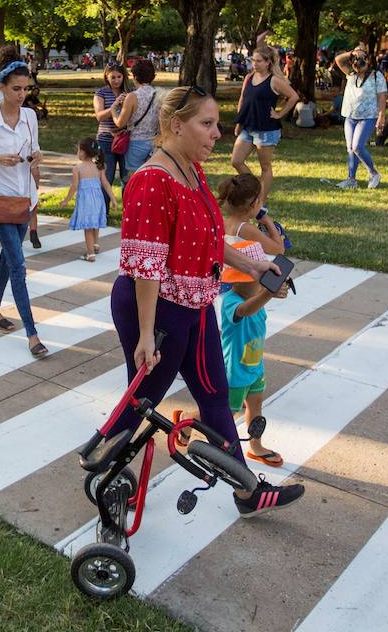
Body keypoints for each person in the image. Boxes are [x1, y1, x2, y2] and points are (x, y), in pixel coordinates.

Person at [110, 84, 304, 516]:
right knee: (142, 402)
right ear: (176, 125)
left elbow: (210, 240)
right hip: (157, 310)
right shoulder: (151, 181)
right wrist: (146, 334)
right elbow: (146, 266)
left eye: (218, 123)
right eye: (207, 124)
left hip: (193, 306)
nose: (218, 133)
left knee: (215, 397)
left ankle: (247, 492)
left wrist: (254, 268)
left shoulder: (191, 171)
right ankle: (106, 466)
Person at [176, 174, 289, 466]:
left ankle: (256, 444)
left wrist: (268, 291)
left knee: (256, 404)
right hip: (234, 369)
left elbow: (255, 304)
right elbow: (248, 308)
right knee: (225, 410)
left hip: (254, 363)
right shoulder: (233, 304)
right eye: (255, 277)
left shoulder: (249, 295)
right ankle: (188, 421)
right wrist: (268, 292)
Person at [0, 60, 47, 357]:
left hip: (26, 199)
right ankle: (32, 333)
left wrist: (37, 156)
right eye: (16, 88)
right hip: (0, 201)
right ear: (0, 88)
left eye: (26, 89)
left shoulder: (29, 116)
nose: (21, 94)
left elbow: (35, 148)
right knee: (18, 264)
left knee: (8, 256)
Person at [231, 44, 300, 209]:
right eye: (253, 60)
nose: (255, 64)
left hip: (267, 129)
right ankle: (255, 189)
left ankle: (260, 201)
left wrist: (279, 113)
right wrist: (239, 122)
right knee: (236, 161)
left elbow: (293, 96)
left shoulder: (274, 80)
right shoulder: (249, 77)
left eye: (259, 61)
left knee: (265, 166)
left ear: (268, 62)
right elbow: (243, 99)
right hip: (248, 126)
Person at [332, 47, 386, 189]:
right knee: (350, 148)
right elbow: (338, 60)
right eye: (356, 59)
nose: (359, 61)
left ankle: (373, 173)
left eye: (363, 58)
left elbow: (382, 97)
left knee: (357, 147)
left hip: (368, 116)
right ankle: (351, 179)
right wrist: (352, 53)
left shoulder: (377, 76)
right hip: (350, 115)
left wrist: (381, 116)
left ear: (368, 60)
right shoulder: (350, 73)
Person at [60, 137, 113, 262]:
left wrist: (66, 200)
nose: (77, 152)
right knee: (94, 223)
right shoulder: (99, 167)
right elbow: (105, 183)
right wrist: (113, 199)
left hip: (86, 201)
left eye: (78, 150)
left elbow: (74, 186)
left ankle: (90, 254)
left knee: (88, 227)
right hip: (98, 201)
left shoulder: (77, 168)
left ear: (83, 152)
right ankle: (95, 245)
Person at [115, 58, 161, 174]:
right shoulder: (159, 95)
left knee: (134, 179)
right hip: (154, 143)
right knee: (151, 179)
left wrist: (113, 110)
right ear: (153, 77)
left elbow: (120, 123)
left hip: (136, 143)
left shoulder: (132, 97)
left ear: (135, 77)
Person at [92, 64, 130, 194]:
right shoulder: (101, 93)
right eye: (112, 77)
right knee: (107, 177)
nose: (116, 80)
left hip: (125, 140)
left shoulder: (128, 93)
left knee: (127, 178)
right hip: (106, 140)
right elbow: (99, 116)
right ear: (106, 77)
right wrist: (114, 106)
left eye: (119, 76)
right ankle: (104, 212)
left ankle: (127, 212)